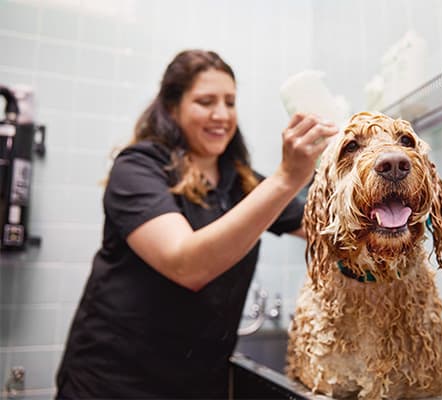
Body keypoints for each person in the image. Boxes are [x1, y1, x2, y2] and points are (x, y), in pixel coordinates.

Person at [55, 49, 337, 399]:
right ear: (172, 107)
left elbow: (328, 229)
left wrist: (382, 195)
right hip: (114, 384)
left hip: (199, 385)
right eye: (206, 101)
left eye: (230, 102)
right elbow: (185, 265)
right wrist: (287, 178)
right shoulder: (138, 168)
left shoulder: (243, 184)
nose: (222, 115)